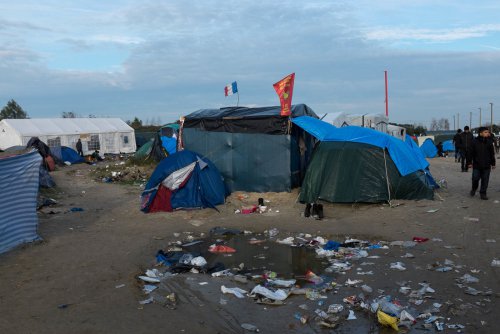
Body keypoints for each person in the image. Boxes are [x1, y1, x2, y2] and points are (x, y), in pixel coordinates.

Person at [469, 127, 496, 200]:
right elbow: (470, 153)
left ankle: (483, 193)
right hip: (477, 165)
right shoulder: (474, 142)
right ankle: (474, 189)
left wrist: (493, 164)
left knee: (485, 180)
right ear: (480, 133)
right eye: (486, 132)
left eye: (488, 132)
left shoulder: (489, 142)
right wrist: (469, 162)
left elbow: (492, 154)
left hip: (487, 165)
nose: (488, 133)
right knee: (475, 178)